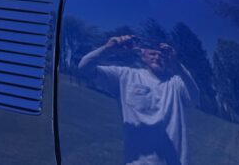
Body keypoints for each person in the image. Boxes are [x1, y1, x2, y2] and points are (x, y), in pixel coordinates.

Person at [79, 35, 200, 165]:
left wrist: (177, 64)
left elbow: (194, 98)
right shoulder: (125, 75)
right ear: (143, 57)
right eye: (152, 53)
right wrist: (109, 49)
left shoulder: (176, 83)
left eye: (162, 56)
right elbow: (84, 68)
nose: (157, 57)